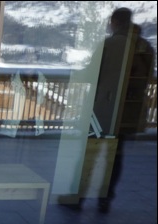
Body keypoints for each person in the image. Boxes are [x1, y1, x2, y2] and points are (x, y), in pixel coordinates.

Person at [66, 8, 155, 213]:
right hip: (128, 112)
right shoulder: (145, 47)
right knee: (115, 156)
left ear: (114, 21)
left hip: (104, 110)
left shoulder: (111, 44)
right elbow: (147, 77)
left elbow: (92, 73)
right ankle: (105, 199)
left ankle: (77, 197)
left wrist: (75, 75)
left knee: (91, 153)